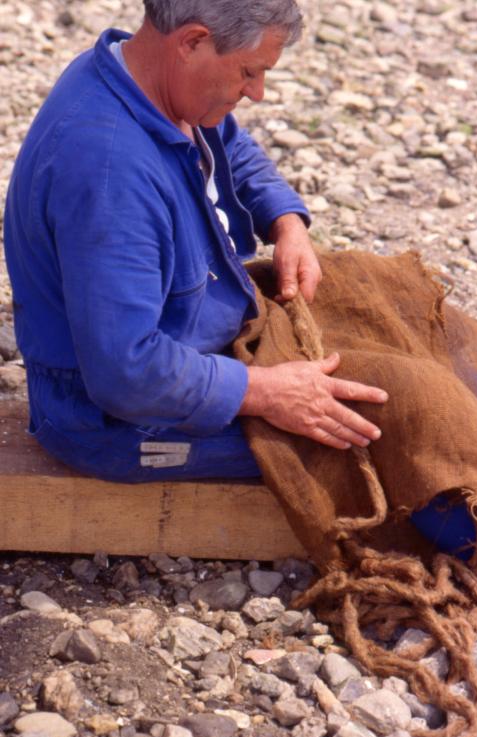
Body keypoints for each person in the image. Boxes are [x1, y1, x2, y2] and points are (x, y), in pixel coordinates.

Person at [4, 0, 389, 484]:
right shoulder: (110, 177)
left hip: (193, 340)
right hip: (119, 424)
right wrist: (264, 391)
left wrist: (286, 221)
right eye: (250, 72)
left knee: (390, 335)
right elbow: (127, 372)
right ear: (191, 41)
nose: (259, 93)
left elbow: (225, 139)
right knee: (388, 435)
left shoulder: (145, 78)